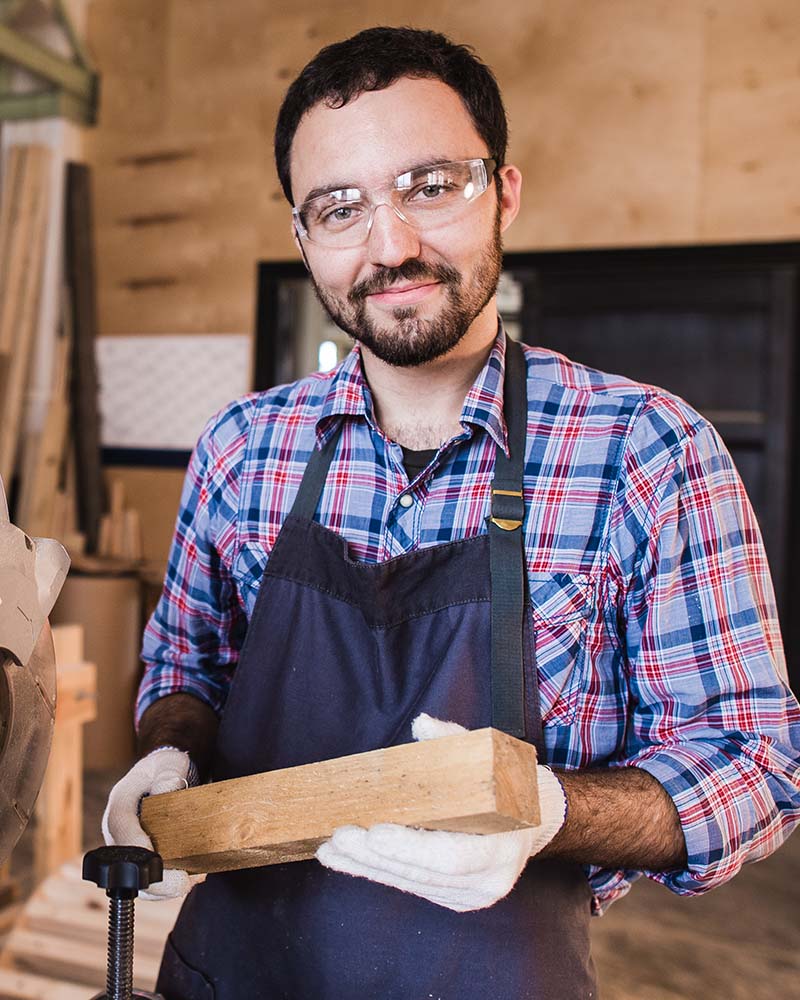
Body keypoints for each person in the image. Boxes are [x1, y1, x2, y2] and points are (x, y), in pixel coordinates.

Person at [103, 26, 800, 1000]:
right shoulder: (243, 447)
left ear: (501, 192)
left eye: (429, 185)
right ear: (302, 238)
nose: (389, 244)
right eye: (338, 207)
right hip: (233, 975)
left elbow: (751, 763)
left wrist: (544, 811)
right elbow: (187, 664)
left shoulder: (645, 451)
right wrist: (167, 747)